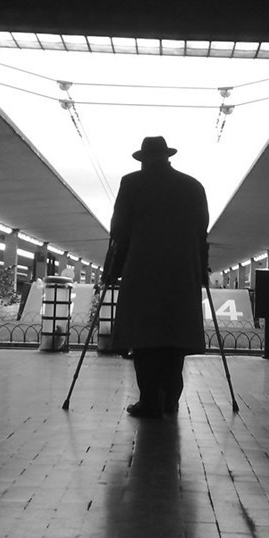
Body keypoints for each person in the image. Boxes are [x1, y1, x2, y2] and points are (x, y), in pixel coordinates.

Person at [103, 136, 209, 419]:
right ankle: (170, 400)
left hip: (143, 271)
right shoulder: (193, 186)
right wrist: (202, 270)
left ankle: (150, 401)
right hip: (182, 273)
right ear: (167, 157)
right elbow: (202, 232)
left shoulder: (132, 183)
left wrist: (112, 270)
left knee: (145, 337)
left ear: (144, 159)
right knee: (175, 338)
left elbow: (120, 231)